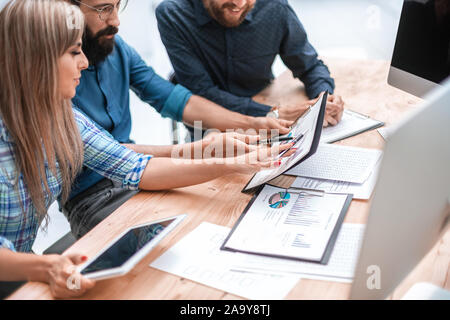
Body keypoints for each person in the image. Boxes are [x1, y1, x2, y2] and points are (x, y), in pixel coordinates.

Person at [0, 0, 291, 299]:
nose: (84, 63)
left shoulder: (61, 116)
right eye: (74, 52)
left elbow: (135, 166)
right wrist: (41, 267)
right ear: (35, 58)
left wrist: (225, 154)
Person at [59, 0, 294, 241]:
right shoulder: (51, 77)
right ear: (65, 7)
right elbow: (117, 158)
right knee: (193, 239)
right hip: (97, 195)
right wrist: (207, 152)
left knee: (232, 212)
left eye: (119, 6)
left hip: (142, 173)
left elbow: (175, 100)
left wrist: (253, 122)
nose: (116, 21)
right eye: (104, 9)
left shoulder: (117, 48)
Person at [156, 0, 345, 128]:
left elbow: (310, 66)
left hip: (268, 112)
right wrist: (275, 114)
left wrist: (324, 97)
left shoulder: (274, 6)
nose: (240, 4)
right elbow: (202, 92)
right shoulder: (173, 14)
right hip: (209, 125)